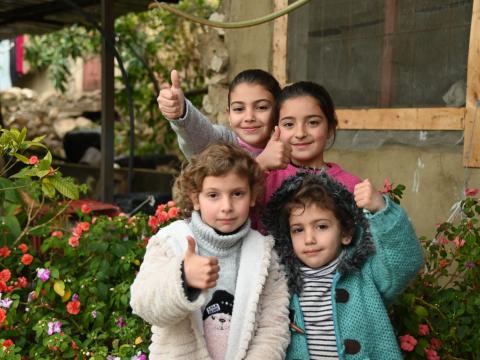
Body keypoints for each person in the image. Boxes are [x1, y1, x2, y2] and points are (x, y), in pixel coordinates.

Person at [130, 142, 290, 360]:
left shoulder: (263, 252)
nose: (226, 206)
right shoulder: (171, 241)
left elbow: (273, 329)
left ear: (252, 196)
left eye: (237, 194)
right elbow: (143, 304)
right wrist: (183, 278)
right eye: (213, 195)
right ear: (196, 198)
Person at [262, 172, 424, 359]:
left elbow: (405, 261)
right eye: (298, 230)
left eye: (321, 226)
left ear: (346, 233)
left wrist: (382, 211)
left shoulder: (364, 274)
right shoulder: (281, 281)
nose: (309, 239)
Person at [157, 69, 290, 170]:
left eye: (261, 107)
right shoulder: (223, 144)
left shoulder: (291, 149)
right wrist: (182, 112)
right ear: (229, 115)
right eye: (239, 109)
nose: (249, 117)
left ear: (278, 112)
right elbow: (201, 135)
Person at [264, 81, 362, 204]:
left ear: (330, 128)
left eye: (313, 122)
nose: (300, 134)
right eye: (289, 124)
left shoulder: (353, 187)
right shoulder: (265, 180)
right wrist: (259, 165)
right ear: (276, 130)